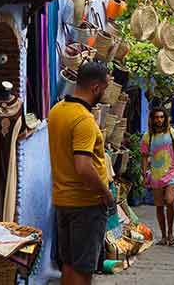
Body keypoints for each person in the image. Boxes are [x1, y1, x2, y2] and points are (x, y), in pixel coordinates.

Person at [48, 61, 114, 285]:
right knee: (83, 270)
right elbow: (83, 167)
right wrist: (105, 194)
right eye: (105, 88)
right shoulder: (84, 119)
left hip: (63, 201)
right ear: (95, 87)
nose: (106, 94)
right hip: (85, 204)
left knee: (68, 264)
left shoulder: (57, 111)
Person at [141, 106, 174, 246]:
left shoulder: (173, 133)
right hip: (155, 175)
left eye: (161, 117)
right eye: (156, 117)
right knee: (159, 206)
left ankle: (171, 232)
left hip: (172, 173)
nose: (159, 120)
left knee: (170, 201)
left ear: (165, 119)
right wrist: (143, 173)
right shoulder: (148, 136)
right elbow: (144, 157)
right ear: (152, 119)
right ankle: (164, 236)